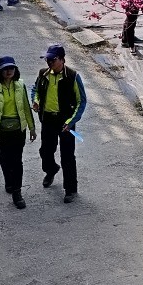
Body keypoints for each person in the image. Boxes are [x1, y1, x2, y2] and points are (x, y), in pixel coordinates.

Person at [31, 44, 87, 204]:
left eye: (52, 60)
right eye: (47, 59)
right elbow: (35, 89)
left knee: (67, 156)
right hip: (48, 119)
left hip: (66, 123)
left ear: (62, 60)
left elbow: (81, 101)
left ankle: (70, 189)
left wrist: (71, 121)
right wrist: (36, 101)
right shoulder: (43, 74)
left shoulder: (73, 76)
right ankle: (51, 170)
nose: (49, 62)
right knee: (45, 152)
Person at [0, 57, 37, 209]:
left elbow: (26, 107)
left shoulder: (20, 85)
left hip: (18, 130)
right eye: (5, 69)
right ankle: (8, 180)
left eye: (11, 68)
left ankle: (17, 192)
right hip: (2, 131)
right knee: (5, 159)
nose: (9, 71)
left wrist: (32, 128)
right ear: (0, 71)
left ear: (15, 70)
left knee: (17, 161)